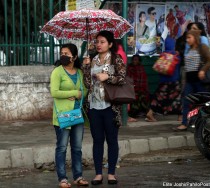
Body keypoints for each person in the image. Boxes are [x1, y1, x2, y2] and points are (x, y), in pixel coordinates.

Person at [82, 30, 126, 185]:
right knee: (97, 140)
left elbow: (122, 79)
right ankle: (98, 174)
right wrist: (86, 68)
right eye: (97, 41)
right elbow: (87, 84)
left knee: (112, 140)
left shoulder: (115, 59)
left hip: (110, 106)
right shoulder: (92, 59)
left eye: (102, 42)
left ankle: (112, 173)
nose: (98, 44)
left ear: (110, 44)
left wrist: (108, 77)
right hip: (94, 106)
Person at [50, 43, 89, 187]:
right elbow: (54, 92)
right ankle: (62, 178)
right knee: (62, 147)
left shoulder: (79, 72)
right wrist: (73, 93)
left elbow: (84, 91)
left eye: (66, 53)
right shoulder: (57, 72)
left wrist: (80, 95)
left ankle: (78, 176)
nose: (63, 56)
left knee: (77, 147)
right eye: (62, 53)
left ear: (74, 57)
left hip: (77, 114)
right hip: (63, 115)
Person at [173, 30, 210, 131]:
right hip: (189, 81)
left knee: (203, 103)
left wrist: (203, 70)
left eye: (189, 37)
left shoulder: (202, 48)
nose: (187, 40)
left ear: (195, 38)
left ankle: (205, 123)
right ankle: (185, 123)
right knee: (186, 101)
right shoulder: (188, 49)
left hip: (200, 81)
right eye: (187, 38)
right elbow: (187, 67)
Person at [150, 35, 182, 120]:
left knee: (158, 98)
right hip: (174, 81)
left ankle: (150, 113)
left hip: (163, 81)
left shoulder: (162, 55)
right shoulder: (176, 56)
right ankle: (180, 116)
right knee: (178, 98)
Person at [127, 54, 156, 122]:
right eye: (134, 60)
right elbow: (129, 79)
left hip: (141, 88)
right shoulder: (130, 67)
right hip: (132, 88)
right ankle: (133, 115)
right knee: (136, 97)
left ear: (139, 61)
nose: (135, 61)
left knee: (143, 97)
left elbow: (144, 79)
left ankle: (148, 113)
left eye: (136, 60)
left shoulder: (141, 68)